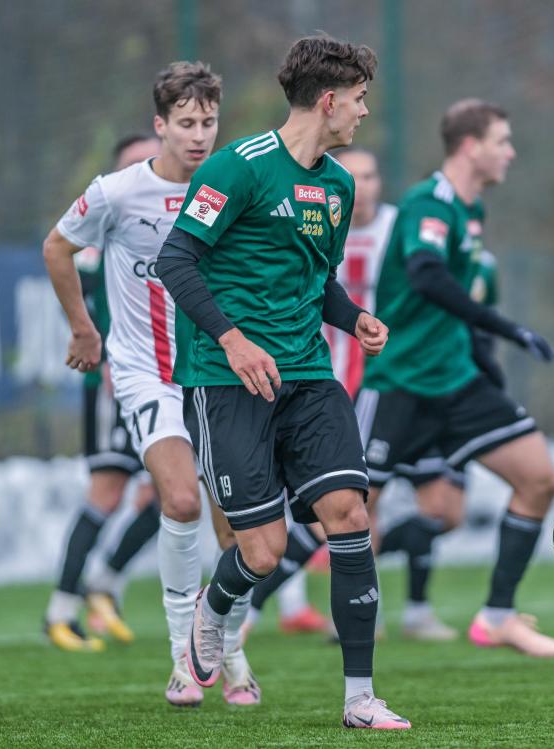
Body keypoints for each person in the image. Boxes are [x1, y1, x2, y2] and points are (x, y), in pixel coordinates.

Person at [156, 35, 411, 730]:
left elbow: (319, 280)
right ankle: (214, 611)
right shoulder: (237, 168)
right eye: (358, 99)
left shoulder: (338, 185)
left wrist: (354, 318)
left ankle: (360, 698)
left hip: (308, 376)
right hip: (225, 380)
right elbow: (176, 260)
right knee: (262, 553)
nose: (363, 112)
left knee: (349, 516)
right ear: (328, 101)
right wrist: (232, 339)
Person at [44, 62, 261, 708]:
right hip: (147, 375)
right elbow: (57, 247)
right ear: (160, 125)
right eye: (186, 123)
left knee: (237, 529)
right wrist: (84, 330)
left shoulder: (232, 187)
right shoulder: (116, 193)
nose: (199, 135)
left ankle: (229, 646)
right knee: (181, 500)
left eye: (209, 122)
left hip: (217, 375)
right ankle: (182, 659)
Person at [358, 98, 554, 659]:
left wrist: (491, 368)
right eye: (502, 141)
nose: (511, 153)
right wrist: (507, 327)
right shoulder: (430, 202)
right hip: (398, 382)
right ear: (471, 147)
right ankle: (241, 613)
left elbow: (456, 308)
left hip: (455, 381)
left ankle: (497, 616)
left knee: (540, 478)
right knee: (346, 512)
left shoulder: (472, 211)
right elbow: (426, 276)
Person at [242, 146, 395, 638]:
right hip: (314, 374)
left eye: (371, 176)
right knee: (328, 507)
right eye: (355, 176)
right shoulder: (313, 219)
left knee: (359, 504)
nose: (362, 187)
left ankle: (354, 610)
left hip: (377, 380)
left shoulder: (397, 230)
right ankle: (260, 606)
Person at [44, 133, 163, 653]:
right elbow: (77, 298)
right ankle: (60, 610)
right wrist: (107, 357)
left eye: (149, 160)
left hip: (168, 379)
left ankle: (106, 582)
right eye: (132, 163)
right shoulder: (99, 234)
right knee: (107, 492)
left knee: (175, 494)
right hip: (114, 384)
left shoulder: (175, 221)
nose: (144, 170)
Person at [376, 250, 504, 642]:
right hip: (415, 397)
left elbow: (482, 327)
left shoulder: (485, 264)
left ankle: (351, 550)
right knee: (371, 507)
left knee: (448, 515)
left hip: (462, 398)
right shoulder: (418, 258)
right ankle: (400, 610)